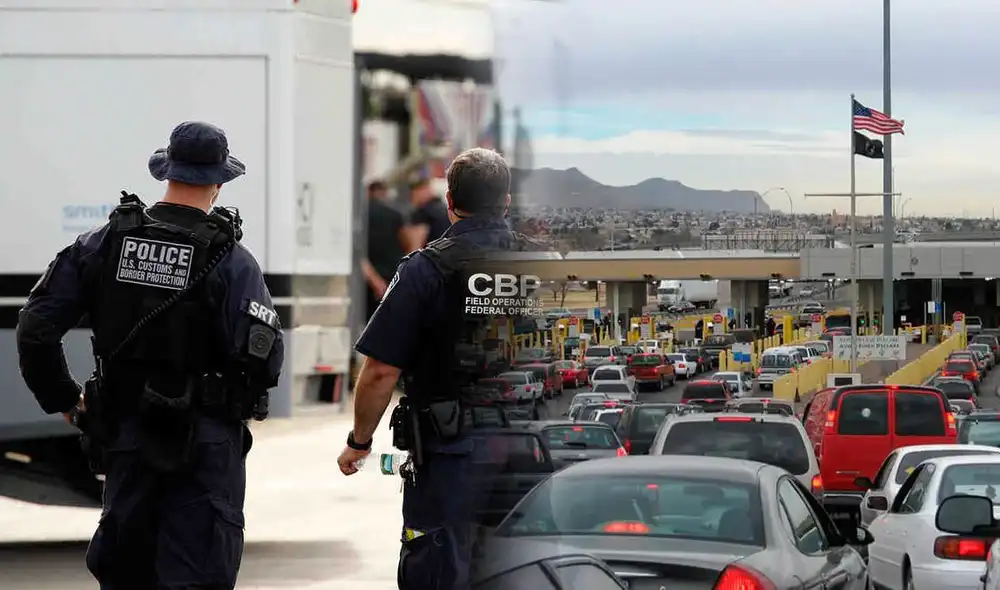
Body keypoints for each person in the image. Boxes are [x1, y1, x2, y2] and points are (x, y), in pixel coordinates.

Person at [16, 121, 284, 589]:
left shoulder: (105, 242)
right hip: (204, 450)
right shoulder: (233, 261)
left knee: (126, 573)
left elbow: (35, 329)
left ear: (167, 173)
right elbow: (265, 359)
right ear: (219, 184)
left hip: (126, 438)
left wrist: (64, 399)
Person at [338, 147, 532, 589]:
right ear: (506, 201)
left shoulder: (425, 271)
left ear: (449, 202)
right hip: (531, 451)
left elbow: (381, 371)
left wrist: (359, 442)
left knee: (441, 566)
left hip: (451, 456)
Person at [361, 180, 407, 321]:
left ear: (369, 193)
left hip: (368, 280)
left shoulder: (360, 216)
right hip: (393, 275)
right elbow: (407, 242)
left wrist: (375, 282)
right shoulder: (395, 214)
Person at [403, 176, 451, 251]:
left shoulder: (422, 212)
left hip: (434, 256)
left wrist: (408, 260)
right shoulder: (445, 208)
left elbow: (417, 243)